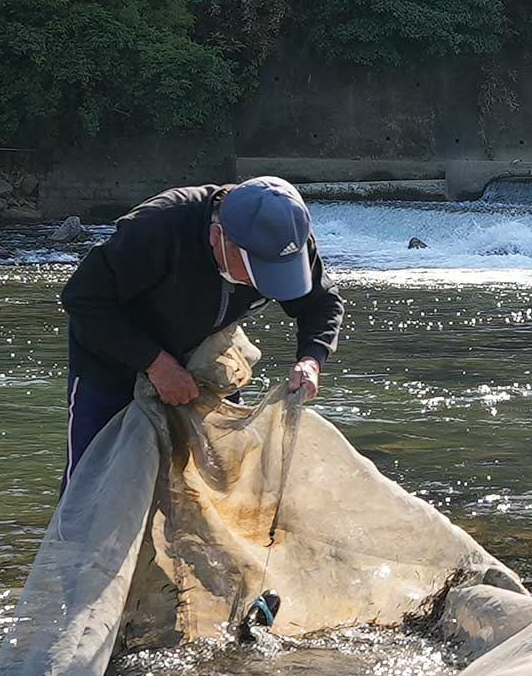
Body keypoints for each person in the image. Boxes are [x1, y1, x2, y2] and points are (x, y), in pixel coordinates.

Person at [58, 176, 344, 491]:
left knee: (225, 483)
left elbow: (322, 303)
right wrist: (156, 364)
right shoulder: (159, 227)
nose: (262, 285)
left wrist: (311, 359)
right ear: (217, 236)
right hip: (112, 362)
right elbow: (82, 298)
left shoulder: (284, 240)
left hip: (204, 364)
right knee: (93, 484)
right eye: (256, 272)